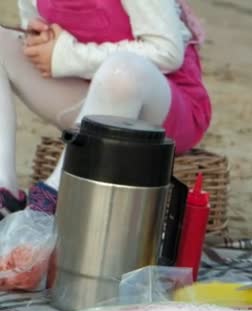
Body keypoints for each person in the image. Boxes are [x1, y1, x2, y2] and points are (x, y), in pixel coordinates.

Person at [0, 0, 212, 216]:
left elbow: (167, 52)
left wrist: (69, 56)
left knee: (121, 71)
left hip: (161, 109)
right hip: (89, 102)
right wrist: (41, 40)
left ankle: (56, 193)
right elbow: (35, 30)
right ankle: (5, 191)